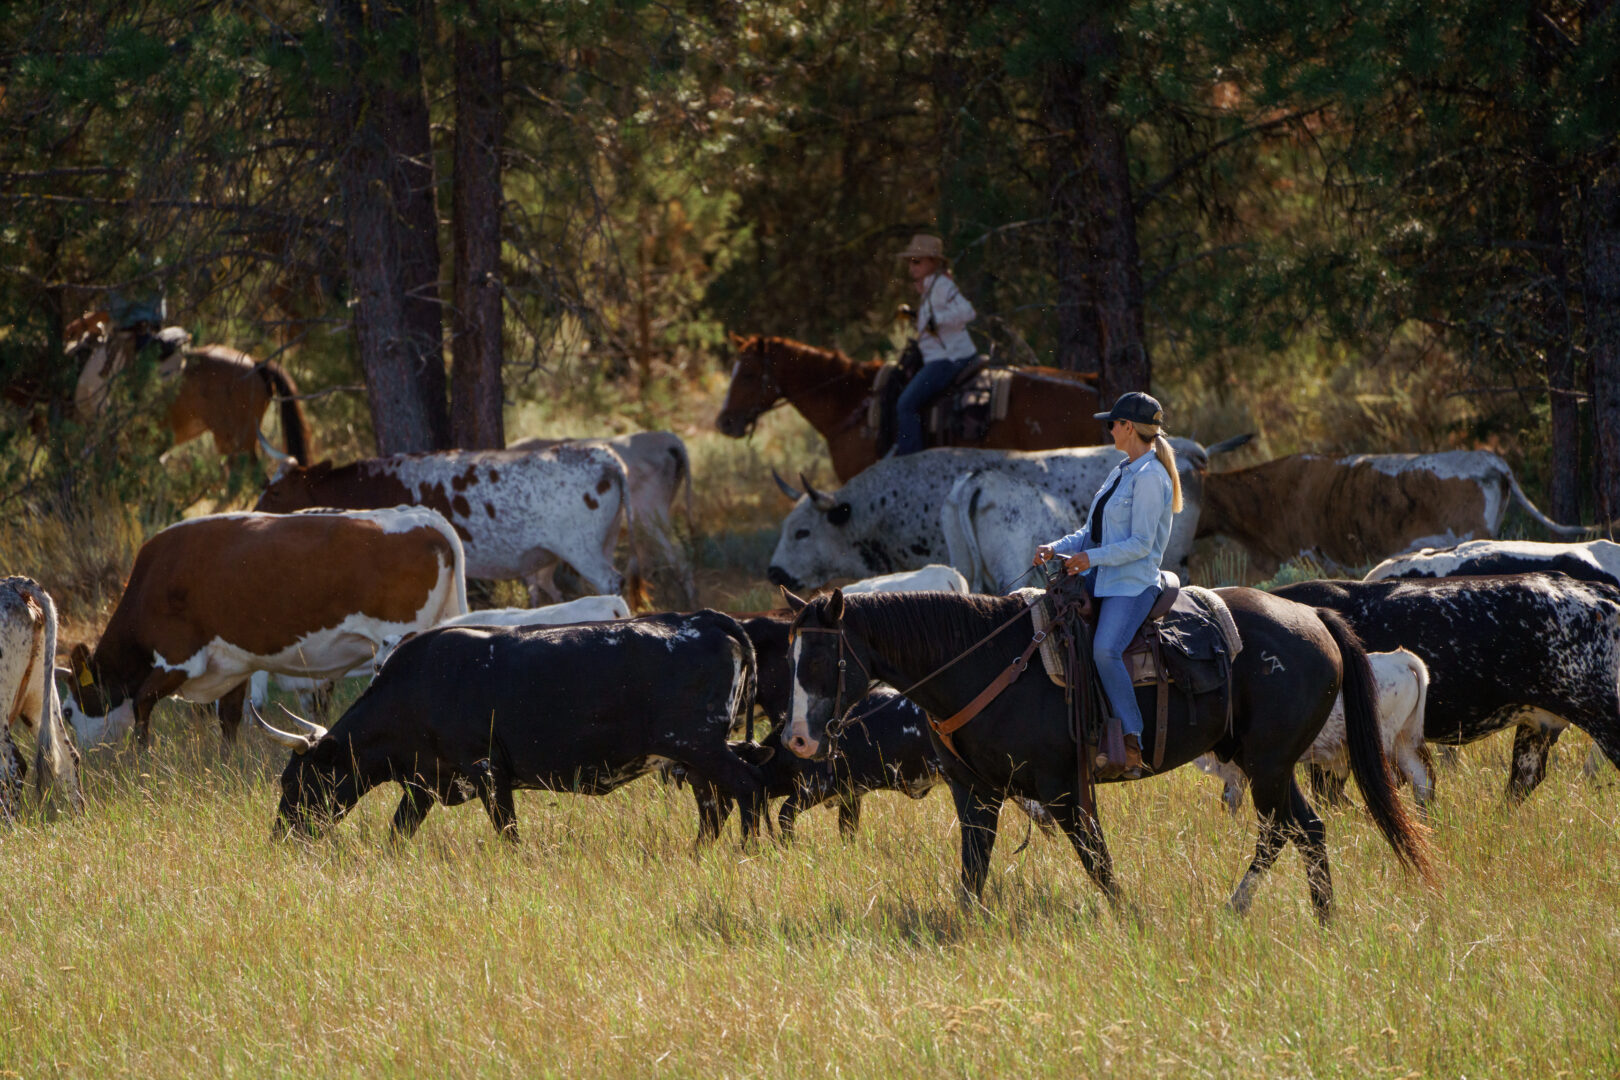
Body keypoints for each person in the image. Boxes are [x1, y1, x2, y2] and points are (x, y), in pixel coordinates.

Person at [1032, 391, 1183, 779]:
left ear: (1128, 427)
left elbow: (1141, 546)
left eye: (1112, 423)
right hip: (1103, 577)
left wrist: (1090, 560)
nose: (1109, 429)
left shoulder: (1151, 478)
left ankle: (1132, 742)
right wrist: (1057, 548)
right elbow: (1091, 532)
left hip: (1132, 585)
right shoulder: (1122, 471)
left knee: (1104, 651)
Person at [892, 234, 978, 456]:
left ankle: (911, 466)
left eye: (917, 261)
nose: (911, 267)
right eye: (910, 261)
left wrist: (936, 320)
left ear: (933, 262)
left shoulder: (941, 286)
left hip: (948, 360)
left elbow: (968, 311)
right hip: (945, 357)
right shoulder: (931, 288)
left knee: (905, 405)